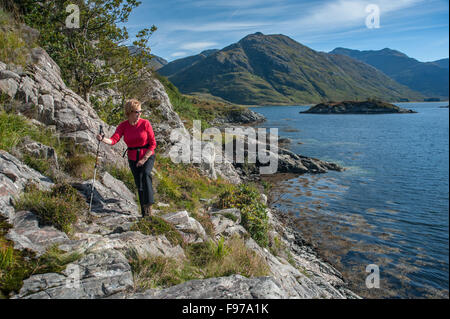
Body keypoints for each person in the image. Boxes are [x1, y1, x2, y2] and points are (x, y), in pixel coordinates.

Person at [96, 99, 157, 218]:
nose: (139, 114)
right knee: (139, 185)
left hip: (147, 155)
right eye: (136, 111)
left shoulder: (145, 123)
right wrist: (102, 139)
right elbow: (114, 140)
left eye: (140, 111)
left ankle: (149, 203)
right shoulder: (123, 126)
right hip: (133, 157)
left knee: (145, 174)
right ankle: (145, 213)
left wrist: (144, 159)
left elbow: (153, 144)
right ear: (129, 112)